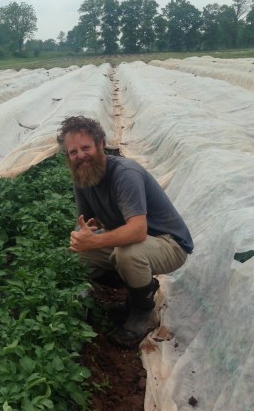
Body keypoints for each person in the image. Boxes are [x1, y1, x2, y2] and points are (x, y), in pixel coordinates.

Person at [58, 115, 194, 348]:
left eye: (86, 147)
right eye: (73, 152)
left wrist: (96, 241)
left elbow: (138, 232)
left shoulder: (124, 174)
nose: (80, 156)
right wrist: (82, 237)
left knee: (128, 254)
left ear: (101, 144)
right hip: (134, 242)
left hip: (169, 243)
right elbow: (88, 223)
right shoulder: (82, 178)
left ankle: (144, 312)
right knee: (78, 254)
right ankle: (134, 292)